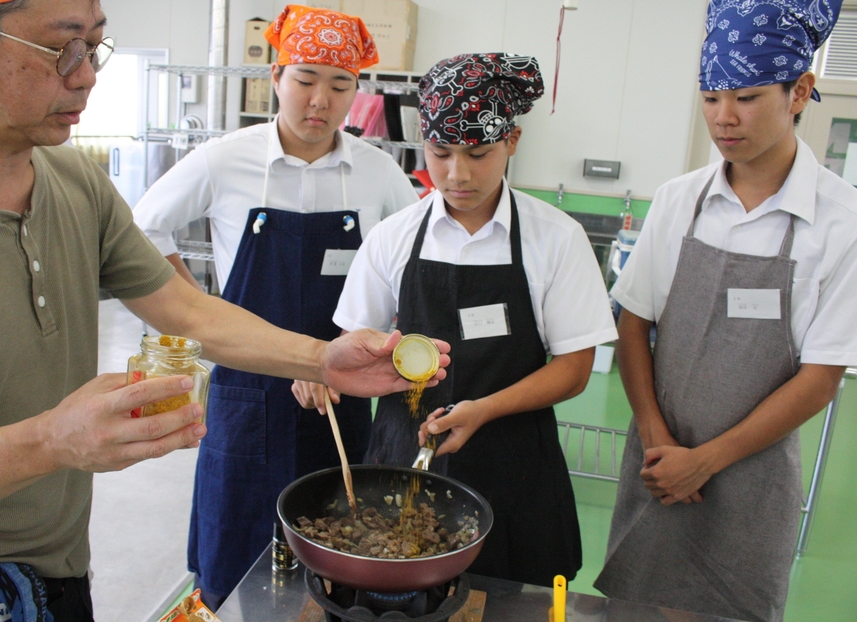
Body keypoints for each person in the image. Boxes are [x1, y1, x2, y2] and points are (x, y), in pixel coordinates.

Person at [0, 1, 448, 619]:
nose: (88, 74)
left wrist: (323, 359)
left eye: (95, 47)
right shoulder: (226, 159)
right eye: (61, 48)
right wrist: (50, 441)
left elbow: (189, 312)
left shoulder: (76, 184)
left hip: (59, 567)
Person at [294, 53, 619, 586]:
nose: (457, 173)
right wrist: (318, 372)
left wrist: (483, 411)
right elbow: (351, 341)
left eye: (478, 153)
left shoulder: (555, 238)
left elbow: (575, 368)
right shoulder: (394, 235)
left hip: (514, 470)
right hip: (401, 465)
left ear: (512, 141)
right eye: (440, 153)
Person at [132, 4, 419, 606]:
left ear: (355, 92)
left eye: (340, 85)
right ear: (275, 81)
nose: (320, 100)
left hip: (341, 394)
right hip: (246, 392)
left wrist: (362, 343)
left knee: (334, 544)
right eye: (305, 80)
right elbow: (140, 231)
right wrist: (192, 303)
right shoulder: (225, 159)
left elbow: (406, 263)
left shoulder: (377, 173)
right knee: (235, 543)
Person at [594, 2, 857, 620]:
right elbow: (634, 322)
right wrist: (660, 443)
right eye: (711, 97)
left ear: (801, 91)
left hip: (751, 476)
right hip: (658, 462)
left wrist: (706, 461)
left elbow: (821, 377)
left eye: (747, 97)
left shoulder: (841, 221)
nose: (724, 118)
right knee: (639, 606)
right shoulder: (679, 200)